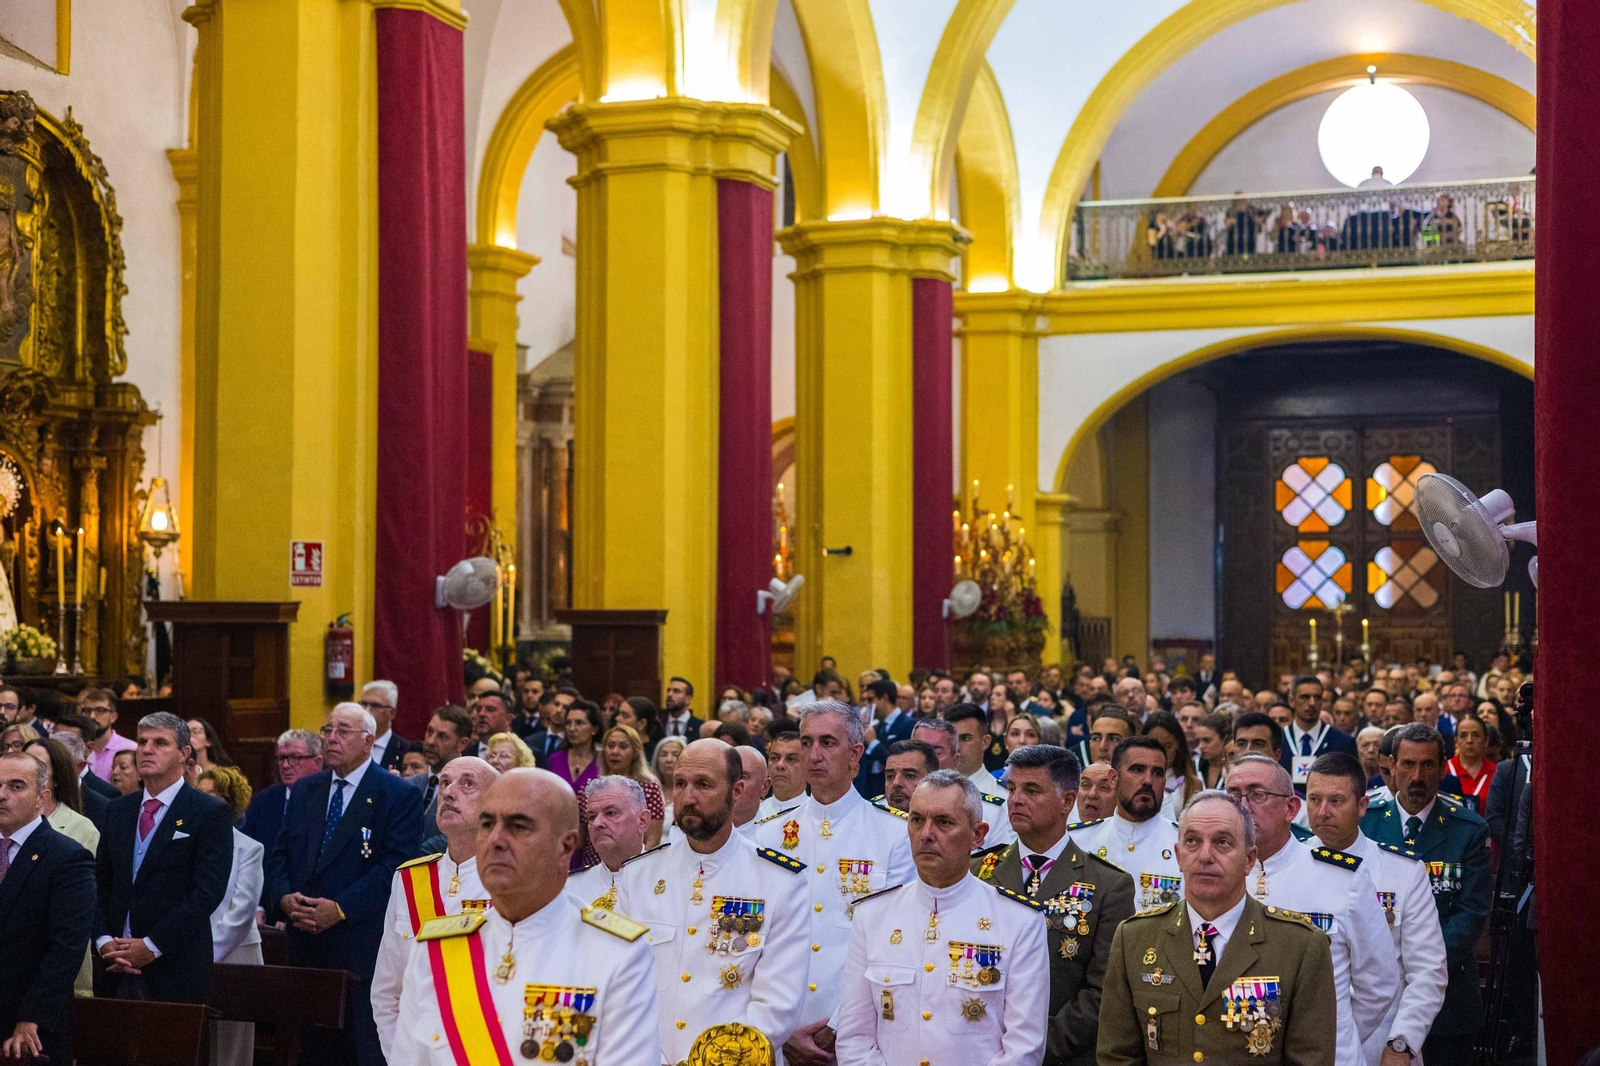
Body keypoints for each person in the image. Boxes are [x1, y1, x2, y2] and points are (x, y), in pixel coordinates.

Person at [388, 769, 662, 1066]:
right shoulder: (436, 950)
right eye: (487, 824)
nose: (495, 840)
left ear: (566, 846)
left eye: (518, 826)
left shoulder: (617, 954)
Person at [1097, 790, 1337, 1066]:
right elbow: (1117, 1056)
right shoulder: (1134, 938)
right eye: (1192, 841)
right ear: (1178, 856)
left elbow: (1310, 1058)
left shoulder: (1299, 946)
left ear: (1249, 859)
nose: (1205, 856)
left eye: (1222, 842)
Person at [834, 770, 1048, 1065]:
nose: (926, 834)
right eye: (916, 820)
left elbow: (1024, 1047)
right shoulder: (872, 916)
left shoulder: (1019, 922)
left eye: (943, 822)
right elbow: (854, 1038)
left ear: (977, 835)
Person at [616, 739, 809, 1061]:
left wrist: (709, 1060)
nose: (688, 797)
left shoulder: (778, 881)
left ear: (737, 791)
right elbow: (622, 985)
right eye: (680, 783)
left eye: (703, 784)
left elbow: (777, 1005)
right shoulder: (639, 875)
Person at [752, 701, 914, 1064]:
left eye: (827, 743)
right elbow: (756, 939)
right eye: (806, 743)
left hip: (858, 1032)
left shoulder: (893, 834)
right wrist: (779, 1029)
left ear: (855, 754)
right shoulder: (769, 835)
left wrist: (838, 1025)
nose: (814, 754)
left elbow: (893, 941)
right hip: (778, 1031)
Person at [265, 703, 424, 1066]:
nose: (332, 738)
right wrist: (284, 897)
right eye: (328, 730)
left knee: (358, 1052)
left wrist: (339, 909)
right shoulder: (306, 788)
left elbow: (395, 868)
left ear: (368, 741)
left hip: (358, 946)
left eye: (343, 731)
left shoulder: (396, 794)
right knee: (310, 1052)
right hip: (304, 946)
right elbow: (280, 852)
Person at [1224, 754, 1399, 1066]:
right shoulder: (1215, 876)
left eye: (1257, 794)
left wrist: (1334, 1031)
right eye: (1233, 795)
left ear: (1291, 808)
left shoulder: (1341, 877)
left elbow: (1379, 983)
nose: (1243, 806)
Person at [976, 746, 1134, 1066]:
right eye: (1012, 788)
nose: (1016, 799)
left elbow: (1103, 992)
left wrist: (1029, 1048)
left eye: (1032, 790)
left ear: (1066, 801)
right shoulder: (978, 872)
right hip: (980, 1049)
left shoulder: (1108, 885)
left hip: (1061, 1055)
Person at [1360, 724, 1491, 1066]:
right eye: (1408, 764)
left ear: (1443, 767)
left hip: (1448, 997)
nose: (1417, 776)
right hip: (1376, 999)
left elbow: (1471, 914)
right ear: (1392, 765)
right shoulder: (1366, 825)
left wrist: (1422, 966)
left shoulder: (1468, 830)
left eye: (1427, 765)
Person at [1306, 754, 1447, 1066]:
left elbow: (1428, 970)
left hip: (1382, 1042)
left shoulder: (1402, 872)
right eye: (1314, 799)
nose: (1323, 811)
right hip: (1307, 1042)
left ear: (1362, 806)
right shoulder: (1290, 868)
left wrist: (1403, 1042)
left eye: (1336, 801)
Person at [94, 712, 233, 1003]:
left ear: (184, 753)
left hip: (175, 966)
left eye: (160, 743)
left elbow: (207, 891)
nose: (146, 749)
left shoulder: (208, 811)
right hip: (113, 965)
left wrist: (152, 945)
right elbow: (100, 883)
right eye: (142, 742)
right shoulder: (117, 810)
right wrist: (104, 940)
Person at [372, 756, 497, 1060]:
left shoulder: (511, 883)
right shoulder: (409, 880)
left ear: (496, 804)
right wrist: (402, 1059)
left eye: (467, 784)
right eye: (444, 783)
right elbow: (387, 992)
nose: (449, 792)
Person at [0, 751, 96, 1066]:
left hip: (27, 1023)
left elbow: (66, 947)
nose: (2, 795)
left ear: (41, 798)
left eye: (16, 786)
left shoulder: (67, 857)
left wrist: (32, 1017)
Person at [196, 767, 265, 1066]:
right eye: (199, 795)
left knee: (230, 1049)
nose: (204, 802)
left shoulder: (249, 848)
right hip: (190, 956)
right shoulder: (187, 841)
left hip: (236, 955)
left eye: (212, 796)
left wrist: (204, 954)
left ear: (231, 803)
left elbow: (242, 911)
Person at [1067, 737, 1183, 909]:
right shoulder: (1077, 840)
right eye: (1137, 770)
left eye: (1157, 773)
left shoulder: (1182, 843)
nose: (1148, 780)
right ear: (1113, 779)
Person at [912, 715, 1011, 848]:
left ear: (955, 760)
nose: (926, 761)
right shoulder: (888, 808)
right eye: (919, 751)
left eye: (937, 753)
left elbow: (1000, 858)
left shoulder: (988, 811)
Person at [567, 775, 651, 908]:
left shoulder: (668, 881)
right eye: (592, 817)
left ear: (642, 821)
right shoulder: (571, 888)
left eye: (611, 813)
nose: (597, 823)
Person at [240, 728, 322, 854]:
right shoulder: (262, 801)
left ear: (317, 763)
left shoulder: (327, 800)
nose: (285, 765)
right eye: (282, 758)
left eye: (295, 758)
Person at [409, 705, 474, 839]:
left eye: (442, 736)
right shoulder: (409, 784)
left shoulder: (470, 791)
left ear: (462, 744)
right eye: (430, 731)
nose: (430, 741)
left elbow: (452, 836)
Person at [1143, 711, 1202, 820]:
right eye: (1153, 746)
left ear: (1178, 745)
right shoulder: (1132, 778)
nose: (1161, 754)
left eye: (1167, 746)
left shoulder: (1191, 784)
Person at [550, 699, 604, 801]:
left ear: (594, 729)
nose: (571, 728)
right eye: (568, 723)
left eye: (579, 723)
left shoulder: (602, 762)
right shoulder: (555, 759)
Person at [79, 687, 137, 782]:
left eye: (100, 710)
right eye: (87, 711)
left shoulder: (130, 748)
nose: (92, 716)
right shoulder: (78, 748)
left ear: (113, 717)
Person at [359, 680, 416, 772]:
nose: (366, 710)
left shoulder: (405, 750)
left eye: (375, 706)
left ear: (392, 713)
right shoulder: (349, 744)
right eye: (364, 704)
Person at [1444, 715, 1494, 815]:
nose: (1469, 740)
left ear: (1486, 741)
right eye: (1463, 736)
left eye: (1476, 735)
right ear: (1456, 742)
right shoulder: (1443, 770)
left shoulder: (1496, 773)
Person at [881, 738, 938, 812]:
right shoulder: (871, 814)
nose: (896, 783)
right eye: (890, 776)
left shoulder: (951, 815)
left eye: (909, 776)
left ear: (934, 781)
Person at [760, 730, 806, 820]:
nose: (780, 765)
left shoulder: (820, 815)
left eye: (791, 759)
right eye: (774, 758)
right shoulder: (754, 813)